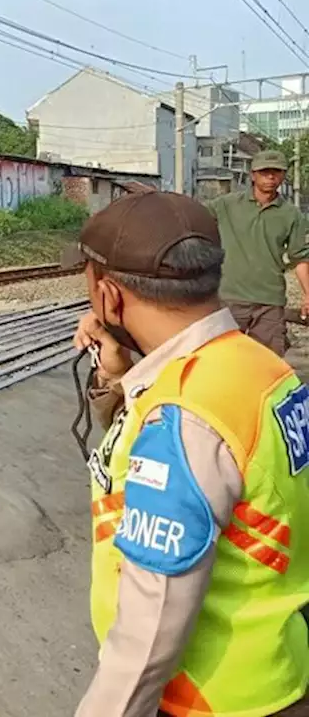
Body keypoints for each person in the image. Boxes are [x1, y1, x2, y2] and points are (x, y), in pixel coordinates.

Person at [67, 190, 309, 717]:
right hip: (277, 671)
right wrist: (116, 376)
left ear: (108, 296)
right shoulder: (260, 367)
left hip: (207, 699)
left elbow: (153, 621)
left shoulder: (185, 413)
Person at [207, 149, 309, 356]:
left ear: (283, 175)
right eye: (264, 172)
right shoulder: (226, 205)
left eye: (276, 172)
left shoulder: (291, 215)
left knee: (267, 362)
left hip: (269, 301)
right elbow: (193, 219)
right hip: (229, 297)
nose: (270, 177)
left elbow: (300, 258)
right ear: (253, 174)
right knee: (223, 359)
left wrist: (308, 295)